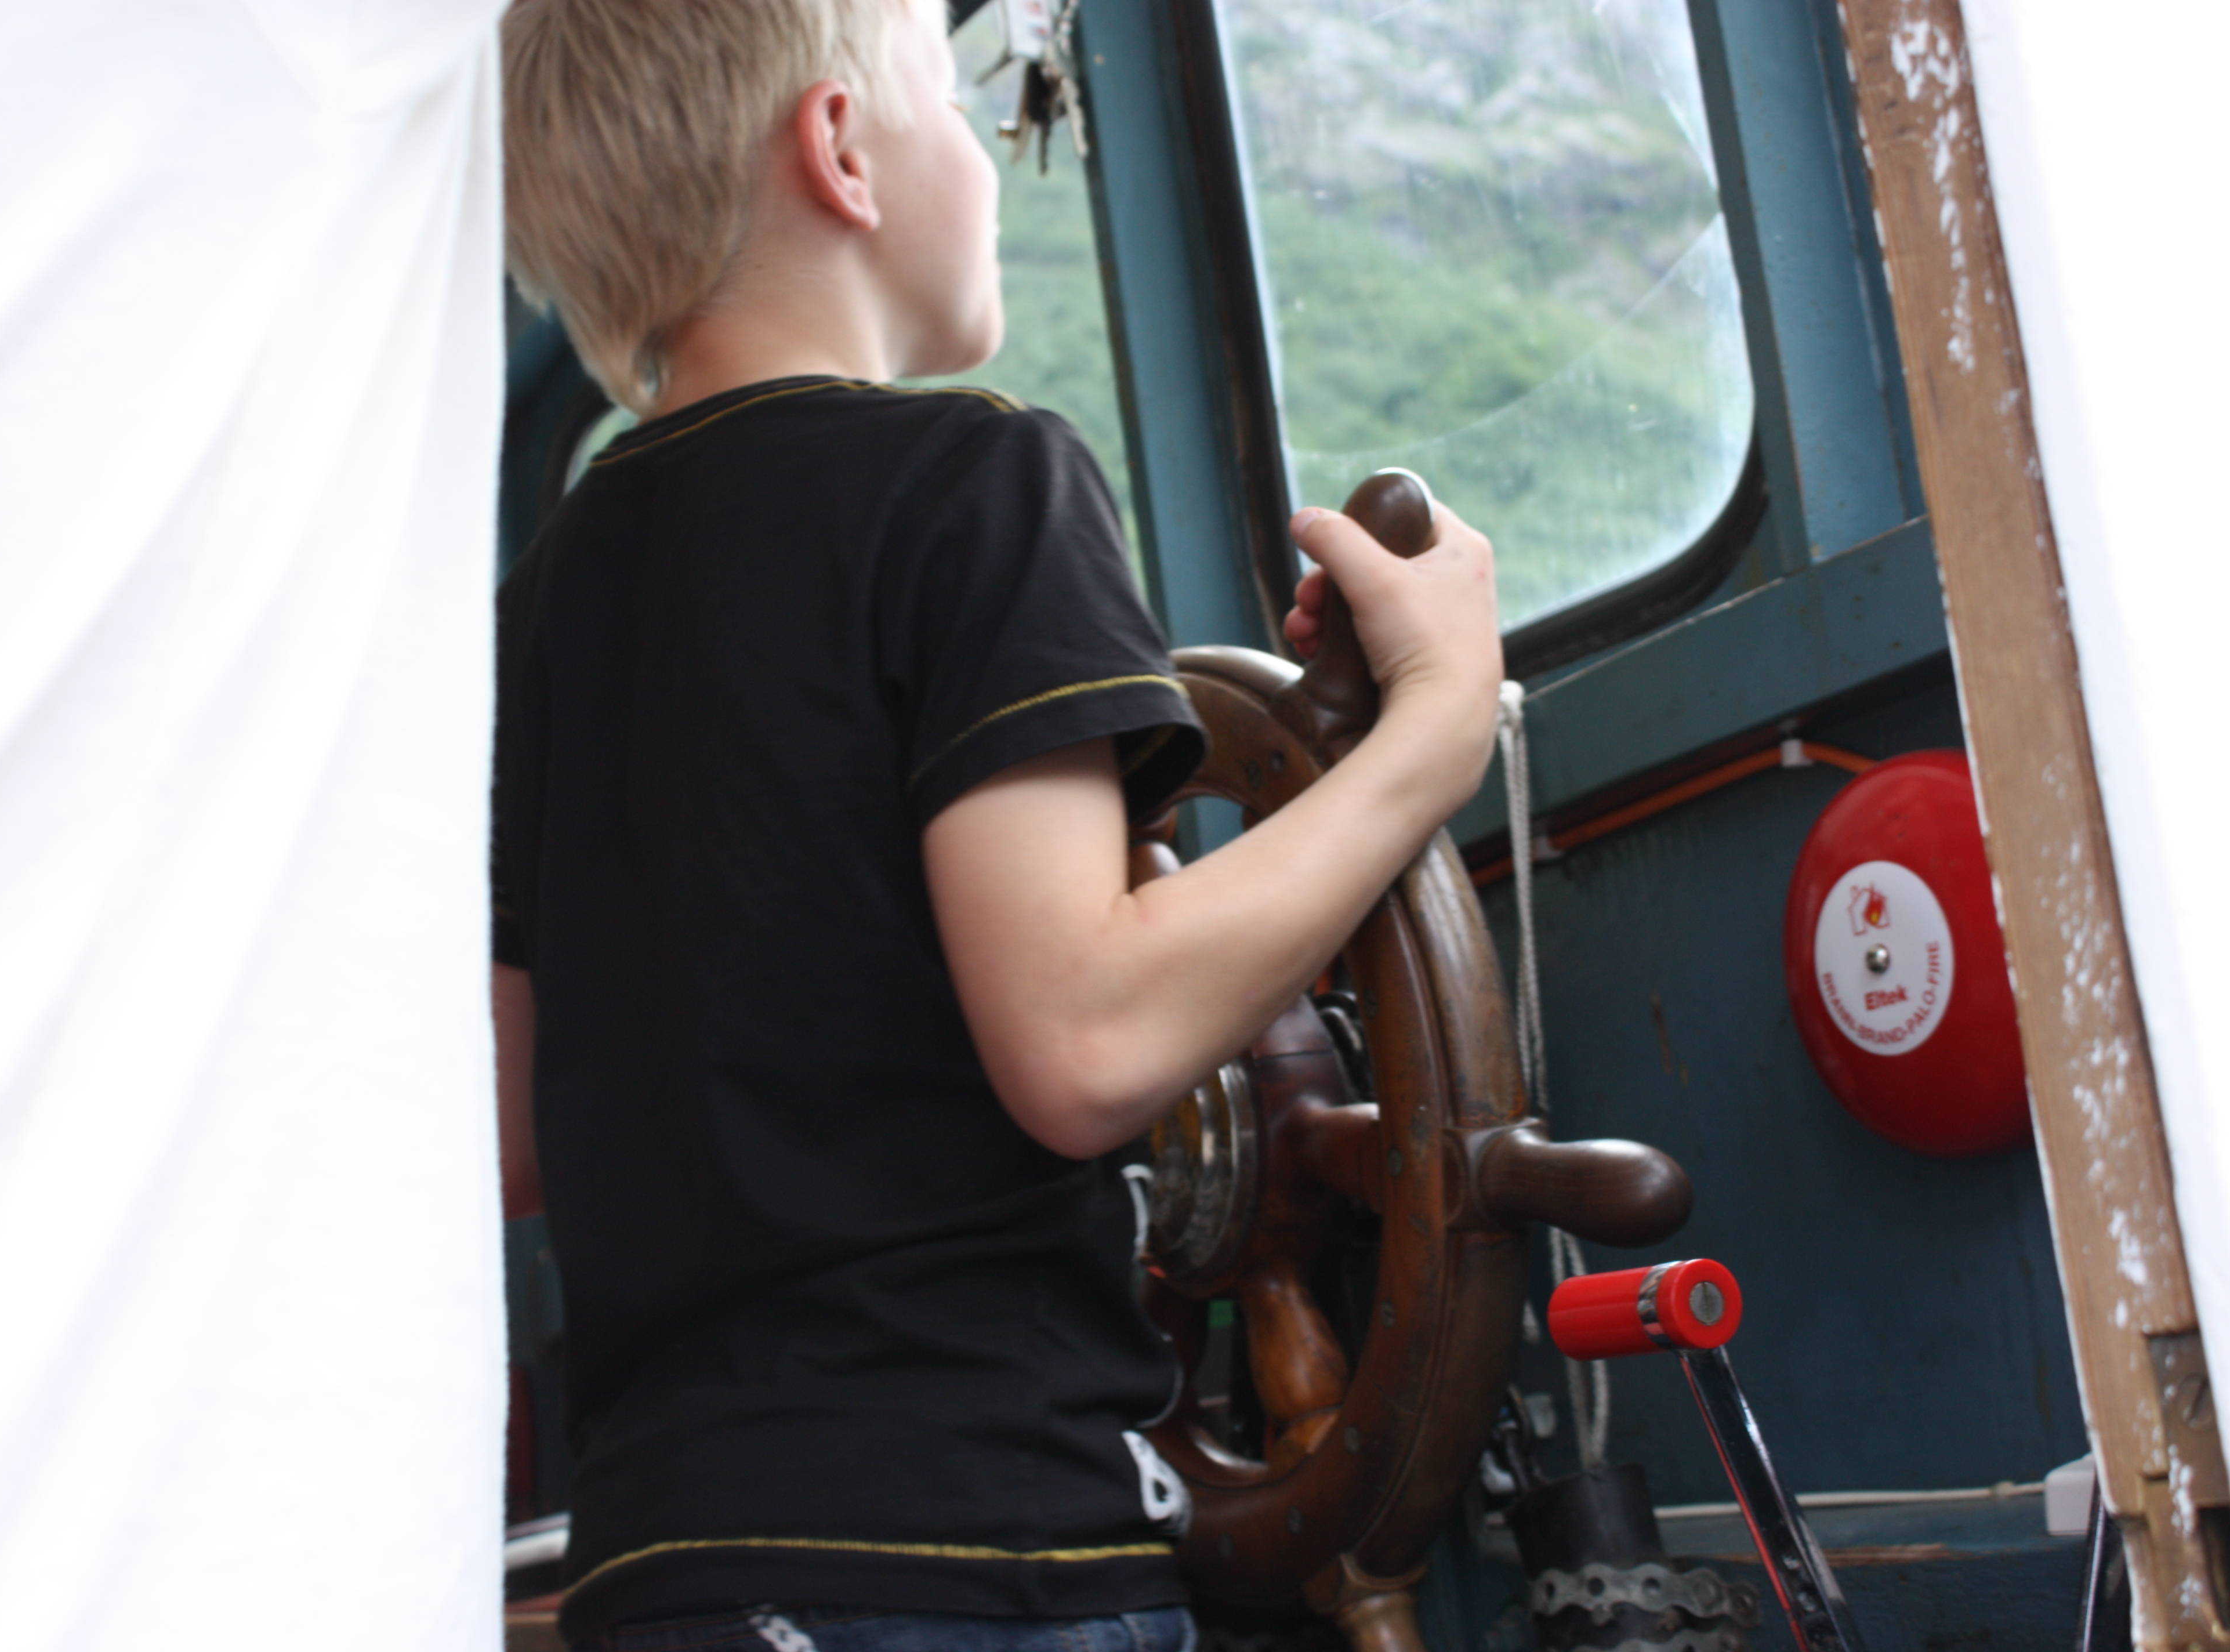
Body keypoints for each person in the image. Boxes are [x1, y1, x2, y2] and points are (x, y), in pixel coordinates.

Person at [490, 1, 1502, 1647]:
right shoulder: (978, 482)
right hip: (970, 1552)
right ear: (840, 151)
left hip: (660, 1566)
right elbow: (1087, 1042)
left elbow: (518, 1133)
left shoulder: (536, 607)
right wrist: (1430, 735)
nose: (981, 152)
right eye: (959, 107)